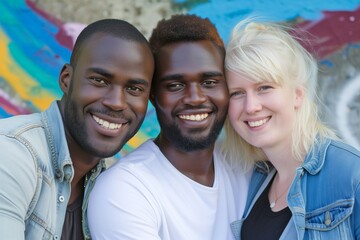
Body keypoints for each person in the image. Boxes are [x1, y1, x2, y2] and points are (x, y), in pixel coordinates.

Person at [87, 14, 249, 240]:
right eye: (175, 85)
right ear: (153, 96)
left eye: (209, 82)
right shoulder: (124, 190)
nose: (195, 98)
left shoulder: (248, 167)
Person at [0, 19, 154, 240]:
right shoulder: (11, 154)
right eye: (99, 80)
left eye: (134, 88)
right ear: (66, 79)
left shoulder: (107, 189)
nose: (117, 103)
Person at [220, 19, 360, 239]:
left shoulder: (352, 175)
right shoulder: (254, 179)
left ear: (297, 94)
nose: (251, 106)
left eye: (264, 87)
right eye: (237, 93)